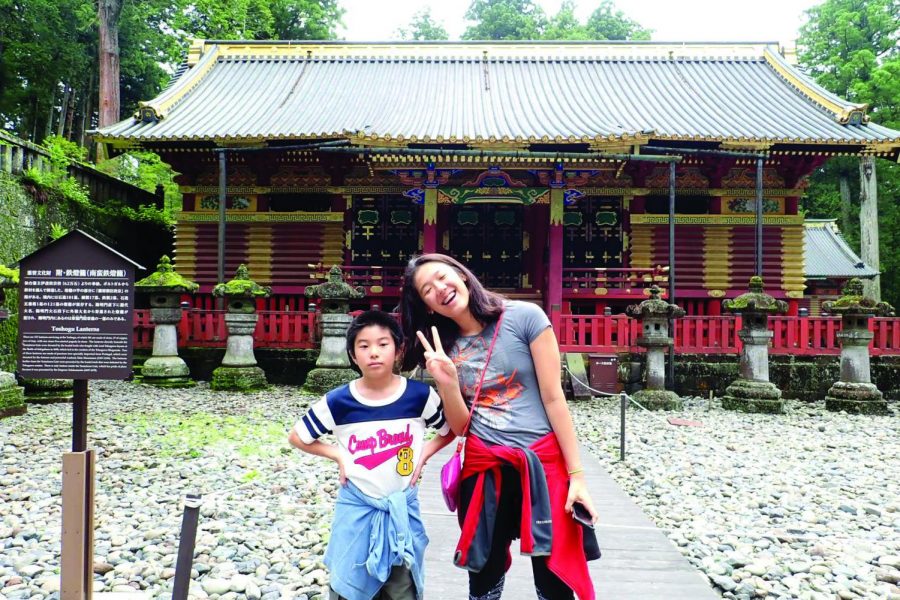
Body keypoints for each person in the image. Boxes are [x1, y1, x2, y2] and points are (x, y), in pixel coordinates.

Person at [399, 253, 598, 600]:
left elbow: (554, 399)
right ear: (426, 306)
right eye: (427, 290)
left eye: (443, 277)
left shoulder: (525, 317)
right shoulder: (444, 347)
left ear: (461, 274)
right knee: (484, 573)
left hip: (542, 461)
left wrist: (577, 476)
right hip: (484, 465)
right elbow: (462, 426)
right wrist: (446, 383)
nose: (440, 289)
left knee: (553, 578)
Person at [288, 309, 453, 600]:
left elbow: (449, 428)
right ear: (353, 355)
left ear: (398, 350)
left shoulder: (419, 396)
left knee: (402, 583)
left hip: (401, 508)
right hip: (357, 508)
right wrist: (339, 455)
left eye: (382, 344)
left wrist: (424, 454)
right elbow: (298, 437)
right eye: (363, 346)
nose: (373, 353)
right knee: (349, 582)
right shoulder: (339, 401)